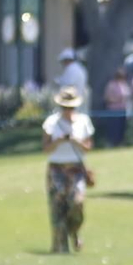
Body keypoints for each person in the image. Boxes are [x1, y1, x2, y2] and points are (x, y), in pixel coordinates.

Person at [41, 88, 94, 253]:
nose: (68, 111)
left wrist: (75, 141)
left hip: (76, 169)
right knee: (58, 207)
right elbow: (46, 148)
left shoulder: (83, 121)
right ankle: (59, 245)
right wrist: (58, 141)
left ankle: (74, 231)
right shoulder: (51, 122)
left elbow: (88, 147)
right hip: (56, 168)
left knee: (77, 203)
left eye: (71, 107)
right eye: (65, 107)